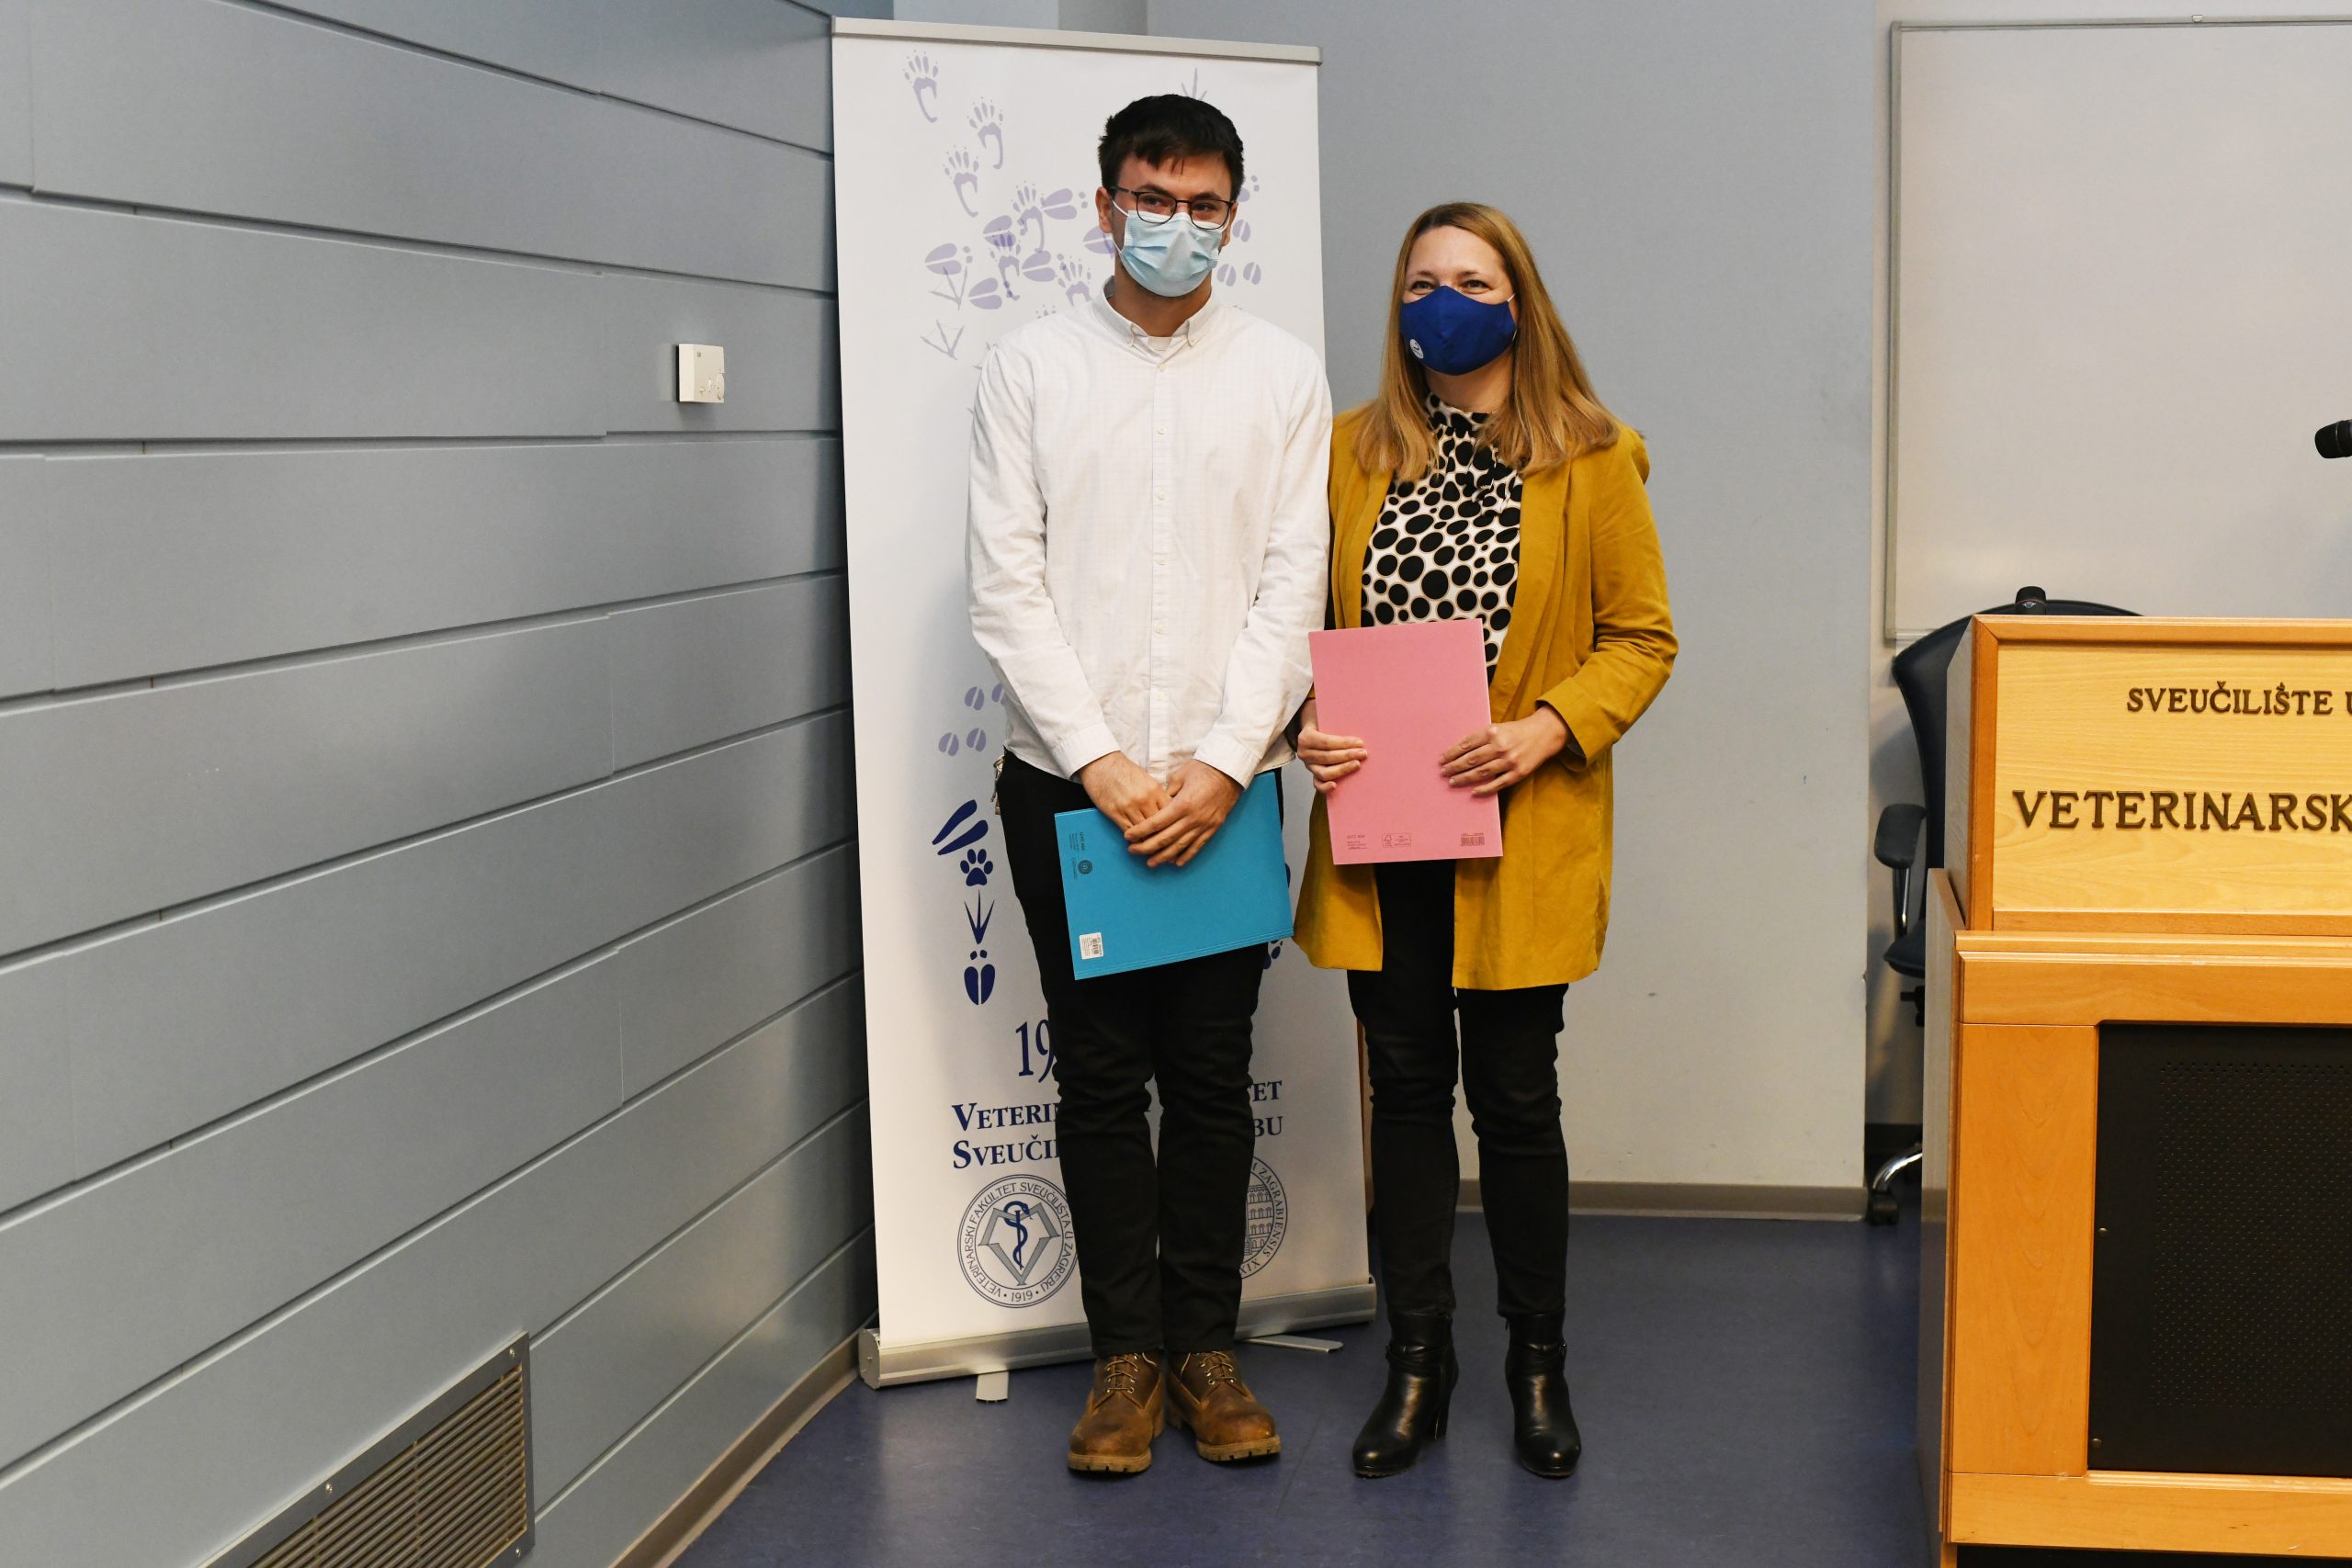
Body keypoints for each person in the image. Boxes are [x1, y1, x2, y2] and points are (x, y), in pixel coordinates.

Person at [967, 95, 1332, 1476]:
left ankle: (1206, 1354)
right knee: (1102, 1078)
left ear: (1234, 215)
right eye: (1151, 196)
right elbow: (1006, 586)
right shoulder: (1031, 368)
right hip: (1070, 785)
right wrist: (1105, 765)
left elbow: (1294, 582)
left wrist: (1227, 763)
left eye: (1203, 203)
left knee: (1215, 1078)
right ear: (1105, 202)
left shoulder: (1282, 376)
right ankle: (1124, 1361)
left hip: (1227, 784)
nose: (1176, 223)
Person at [1295, 202, 1675, 1480]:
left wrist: (1548, 729)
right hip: (1384, 831)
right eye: (1420, 284)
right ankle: (1419, 1362)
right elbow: (1295, 624)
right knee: (1403, 1096)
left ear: (1520, 301)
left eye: (1471, 280)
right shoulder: (1351, 454)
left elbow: (1642, 639)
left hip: (1518, 829)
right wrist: (1303, 726)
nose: (1442, 303)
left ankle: (1536, 1364)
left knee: (1515, 1100)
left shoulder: (1593, 454)